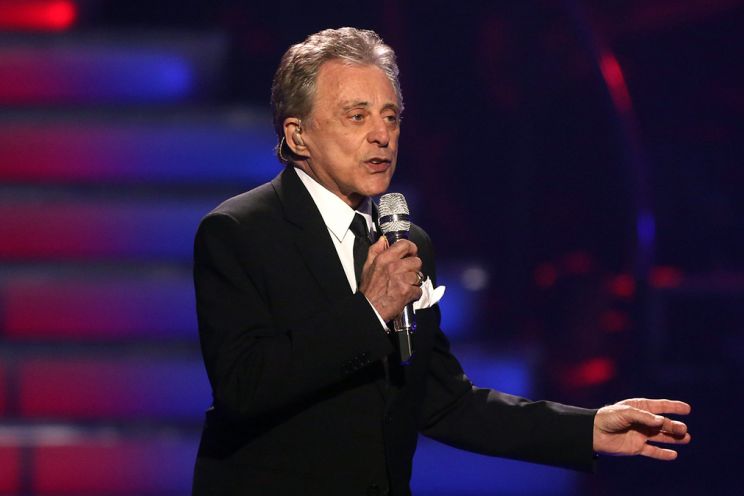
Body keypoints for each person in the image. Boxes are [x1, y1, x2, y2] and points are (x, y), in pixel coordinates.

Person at [191, 27, 690, 496]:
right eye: (357, 116)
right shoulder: (239, 232)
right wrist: (369, 311)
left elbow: (446, 403)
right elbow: (244, 389)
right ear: (298, 135)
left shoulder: (406, 243)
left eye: (391, 117)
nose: (382, 135)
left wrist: (587, 429)